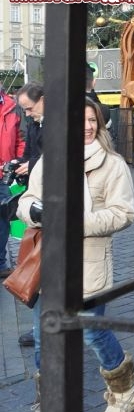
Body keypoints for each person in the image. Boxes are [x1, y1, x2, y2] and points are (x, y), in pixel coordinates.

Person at [16, 97, 134, 412]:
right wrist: (37, 213)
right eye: (80, 120)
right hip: (49, 263)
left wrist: (75, 221)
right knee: (46, 337)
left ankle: (124, 391)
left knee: (93, 333)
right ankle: (49, 404)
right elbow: (25, 202)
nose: (87, 127)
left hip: (89, 263)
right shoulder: (48, 163)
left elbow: (124, 213)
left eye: (92, 120)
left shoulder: (112, 165)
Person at [14, 81, 45, 348]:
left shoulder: (54, 123)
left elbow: (52, 157)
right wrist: (21, 164)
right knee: (34, 262)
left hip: (47, 201)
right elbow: (31, 152)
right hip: (33, 201)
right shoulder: (36, 123)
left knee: (38, 266)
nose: (27, 114)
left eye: (29, 108)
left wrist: (30, 164)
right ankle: (38, 327)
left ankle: (40, 329)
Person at [0, 88, 23, 278]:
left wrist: (18, 160)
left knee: (4, 217)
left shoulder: (13, 106)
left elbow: (21, 138)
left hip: (3, 174)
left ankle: (0, 263)